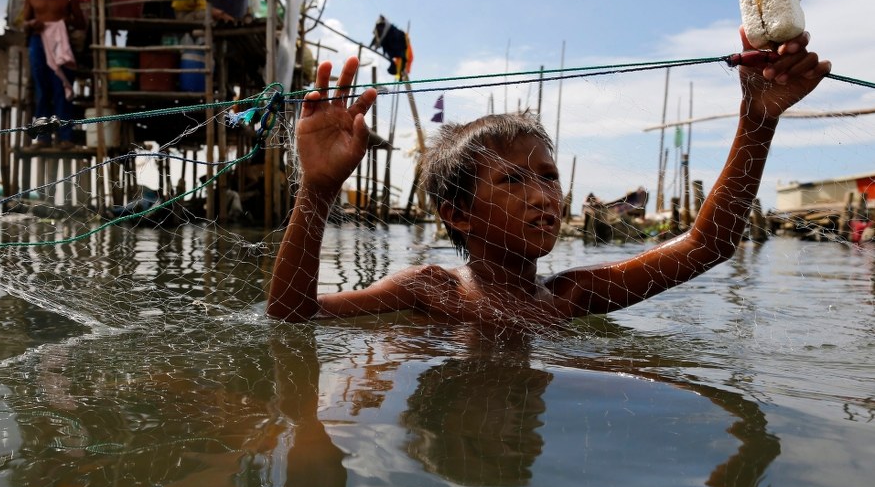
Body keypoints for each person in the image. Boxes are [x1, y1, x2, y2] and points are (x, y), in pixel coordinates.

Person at [266, 29, 831, 324]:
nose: (543, 196)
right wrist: (317, 190)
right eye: (512, 181)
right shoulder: (430, 290)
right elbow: (295, 316)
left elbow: (708, 244)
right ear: (457, 213)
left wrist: (756, 119)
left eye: (549, 177)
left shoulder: (571, 296)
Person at [22, 0, 87, 149]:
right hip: (38, 42)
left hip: (61, 43)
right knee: (42, 90)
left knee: (62, 88)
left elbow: (81, 22)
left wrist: (65, 22)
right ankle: (43, 138)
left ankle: (66, 137)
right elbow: (24, 23)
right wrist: (33, 23)